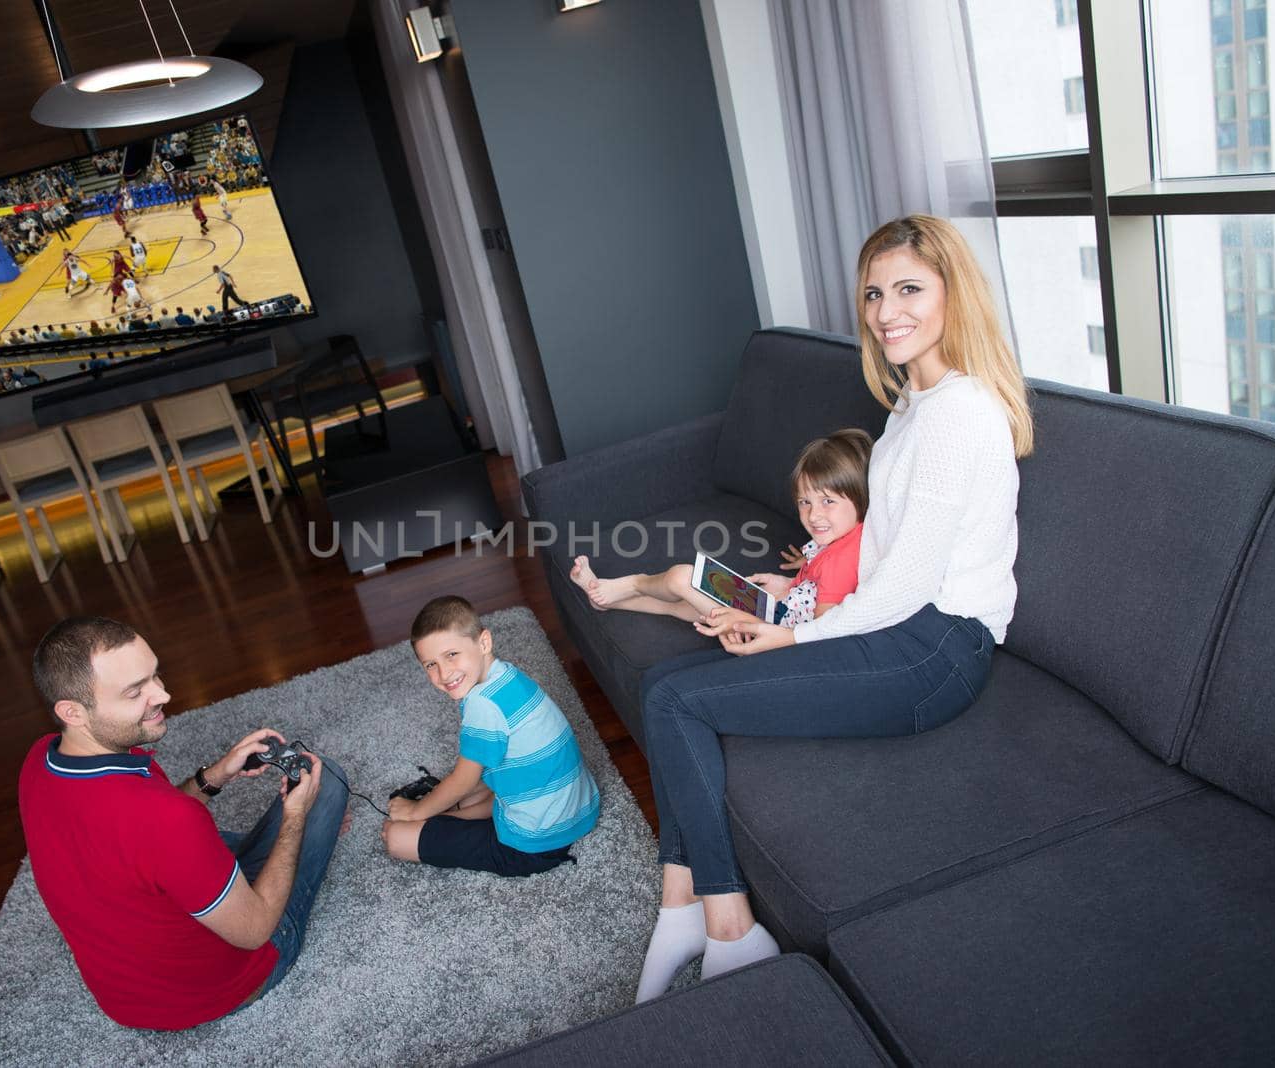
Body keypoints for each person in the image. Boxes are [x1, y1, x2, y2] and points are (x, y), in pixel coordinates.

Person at [630, 215, 1034, 1004]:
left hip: (934, 649)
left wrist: (790, 635)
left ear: (955, 294)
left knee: (676, 696)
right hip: (897, 629)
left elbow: (908, 584)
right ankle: (684, 903)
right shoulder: (914, 410)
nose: (887, 311)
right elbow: (878, 560)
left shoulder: (958, 414)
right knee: (667, 686)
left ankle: (725, 925)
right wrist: (786, 599)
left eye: (910, 289)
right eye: (875, 293)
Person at [18, 617, 351, 1030]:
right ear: (72, 711)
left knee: (184, 847)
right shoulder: (166, 819)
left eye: (154, 675)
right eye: (135, 691)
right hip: (218, 990)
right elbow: (254, 930)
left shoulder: (40, 760)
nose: (163, 694)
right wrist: (296, 817)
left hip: (124, 999)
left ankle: (230, 868)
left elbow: (138, 839)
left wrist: (215, 775)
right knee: (329, 782)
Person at [382, 596, 601, 877]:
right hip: (579, 811)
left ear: (484, 643)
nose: (443, 673)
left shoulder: (482, 705)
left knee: (395, 836)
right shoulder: (506, 675)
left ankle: (431, 817)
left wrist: (415, 813)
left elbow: (463, 780)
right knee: (477, 786)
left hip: (533, 845)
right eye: (430, 665)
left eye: (451, 655)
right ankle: (442, 816)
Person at [570, 428, 872, 629]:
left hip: (771, 624)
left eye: (827, 501)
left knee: (681, 578)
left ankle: (633, 582)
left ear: (860, 497)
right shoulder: (845, 537)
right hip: (772, 608)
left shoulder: (840, 560)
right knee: (681, 608)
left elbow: (824, 630)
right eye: (805, 502)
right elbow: (824, 575)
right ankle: (608, 601)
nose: (813, 514)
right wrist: (800, 572)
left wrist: (766, 625)